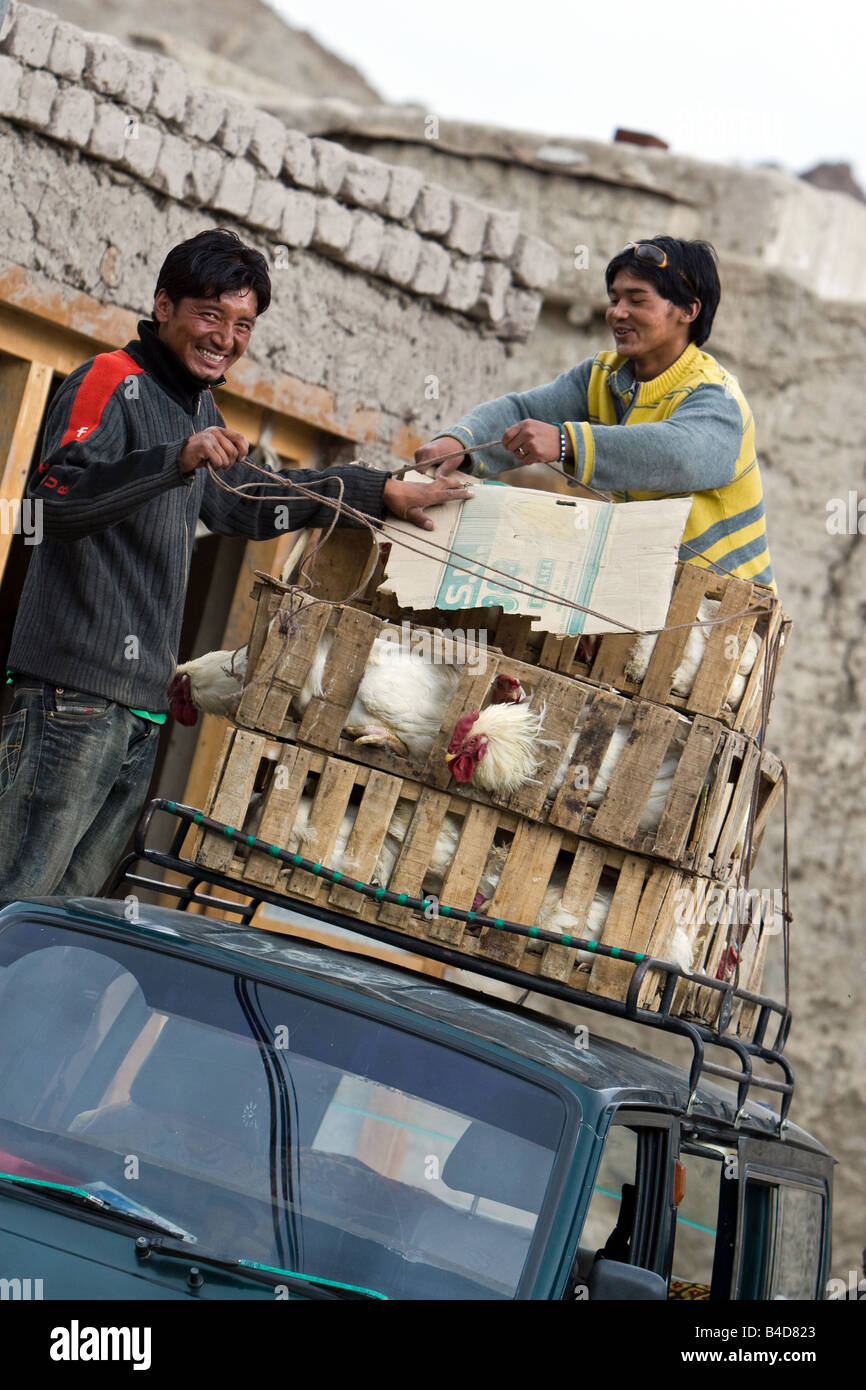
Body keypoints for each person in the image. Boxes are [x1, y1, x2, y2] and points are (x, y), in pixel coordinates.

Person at [0, 228, 471, 900]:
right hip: (70, 699)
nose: (225, 336)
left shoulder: (196, 405)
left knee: (61, 924)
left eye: (243, 323)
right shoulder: (112, 380)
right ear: (163, 305)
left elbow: (246, 505)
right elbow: (51, 503)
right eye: (210, 314)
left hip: (141, 711)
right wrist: (176, 459)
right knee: (17, 903)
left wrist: (378, 491)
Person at [416, 236, 774, 591]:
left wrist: (565, 441)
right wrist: (460, 441)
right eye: (614, 299)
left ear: (688, 311)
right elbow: (523, 412)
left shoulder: (716, 395)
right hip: (653, 592)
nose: (617, 312)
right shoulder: (603, 376)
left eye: (637, 300)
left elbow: (678, 456)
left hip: (724, 610)